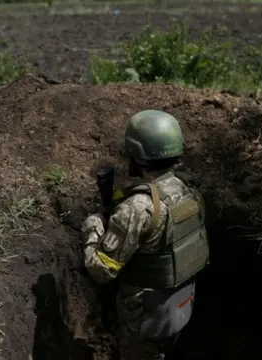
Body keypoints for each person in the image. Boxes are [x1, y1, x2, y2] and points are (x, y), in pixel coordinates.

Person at [81, 110, 211, 360]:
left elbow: (102, 270)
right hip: (179, 306)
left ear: (137, 156)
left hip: (145, 318)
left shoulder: (138, 208)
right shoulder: (190, 192)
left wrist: (93, 227)